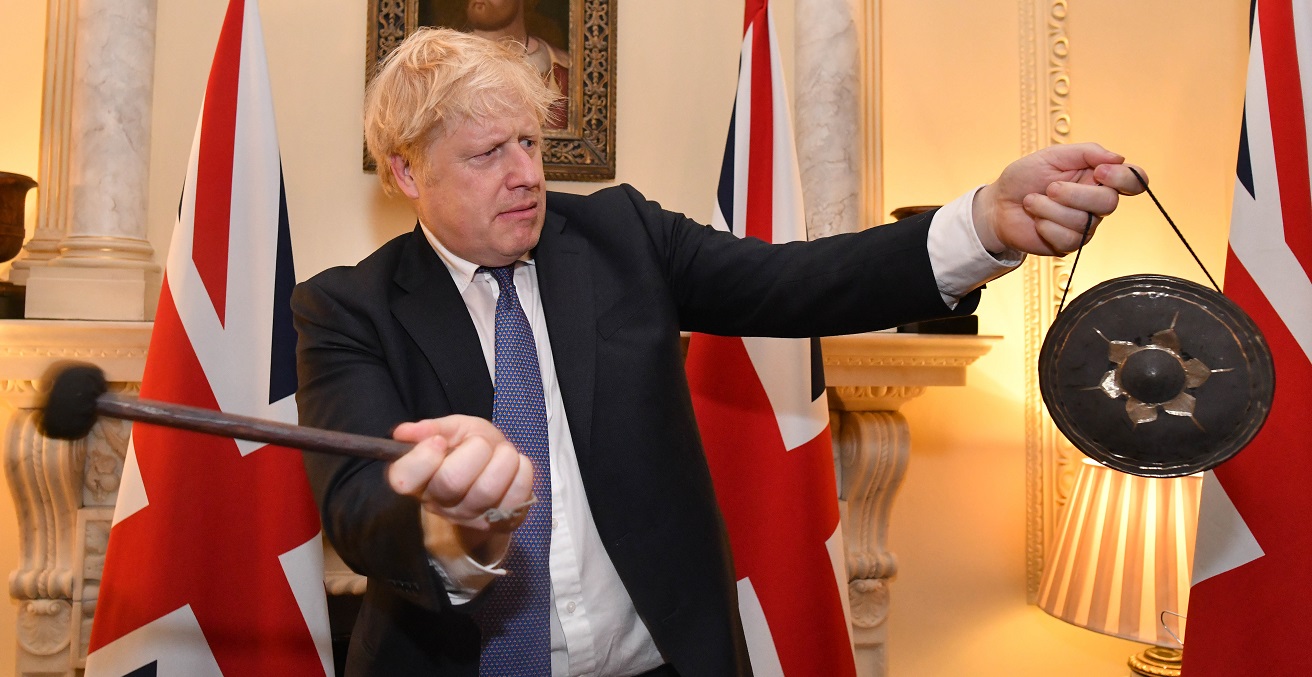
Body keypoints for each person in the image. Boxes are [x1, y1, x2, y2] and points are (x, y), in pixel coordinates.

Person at [292, 27, 1146, 677]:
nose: (526, 173)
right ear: (406, 174)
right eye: (487, 154)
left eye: (530, 142)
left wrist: (987, 221)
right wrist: (450, 512)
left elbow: (799, 281)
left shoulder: (621, 235)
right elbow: (359, 506)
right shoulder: (346, 308)